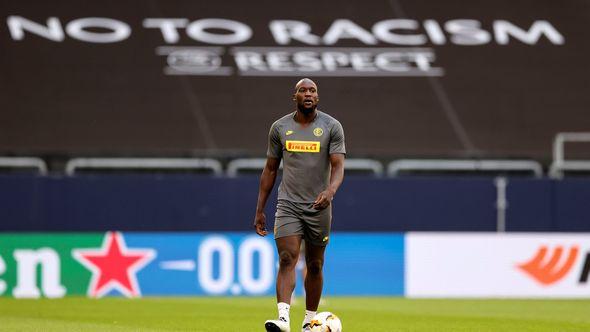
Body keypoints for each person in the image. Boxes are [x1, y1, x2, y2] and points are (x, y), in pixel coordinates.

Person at [254, 78, 345, 332]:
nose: (308, 94)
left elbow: (338, 166)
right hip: (288, 205)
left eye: (312, 91)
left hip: (319, 206)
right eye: (303, 90)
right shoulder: (280, 127)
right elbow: (270, 170)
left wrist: (331, 190)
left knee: (315, 264)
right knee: (287, 258)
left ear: (317, 97)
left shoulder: (331, 127)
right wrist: (260, 208)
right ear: (294, 96)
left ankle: (309, 321)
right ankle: (283, 318)